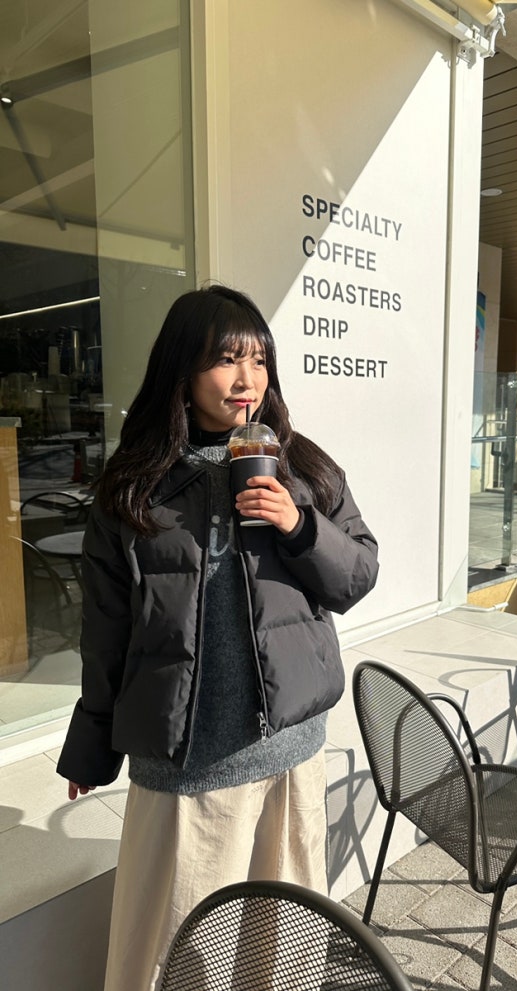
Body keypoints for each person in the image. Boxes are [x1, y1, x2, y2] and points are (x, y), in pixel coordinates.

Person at [56, 284, 379, 991]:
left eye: (258, 360)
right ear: (182, 368)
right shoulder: (133, 488)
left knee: (281, 949)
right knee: (175, 954)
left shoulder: (303, 467)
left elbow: (358, 575)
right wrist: (92, 741)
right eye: (226, 359)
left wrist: (298, 526)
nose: (246, 379)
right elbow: (106, 628)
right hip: (186, 764)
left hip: (289, 754)